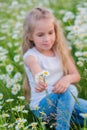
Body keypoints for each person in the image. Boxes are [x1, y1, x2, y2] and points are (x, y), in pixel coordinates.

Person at [22, 7, 87, 130]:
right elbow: (36, 70)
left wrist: (66, 79)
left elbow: (76, 75)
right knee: (70, 89)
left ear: (55, 31)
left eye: (50, 32)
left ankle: (64, 119)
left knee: (73, 96)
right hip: (43, 107)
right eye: (40, 35)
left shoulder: (60, 52)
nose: (47, 39)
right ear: (30, 36)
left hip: (65, 102)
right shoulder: (31, 56)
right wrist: (40, 81)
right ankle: (62, 127)